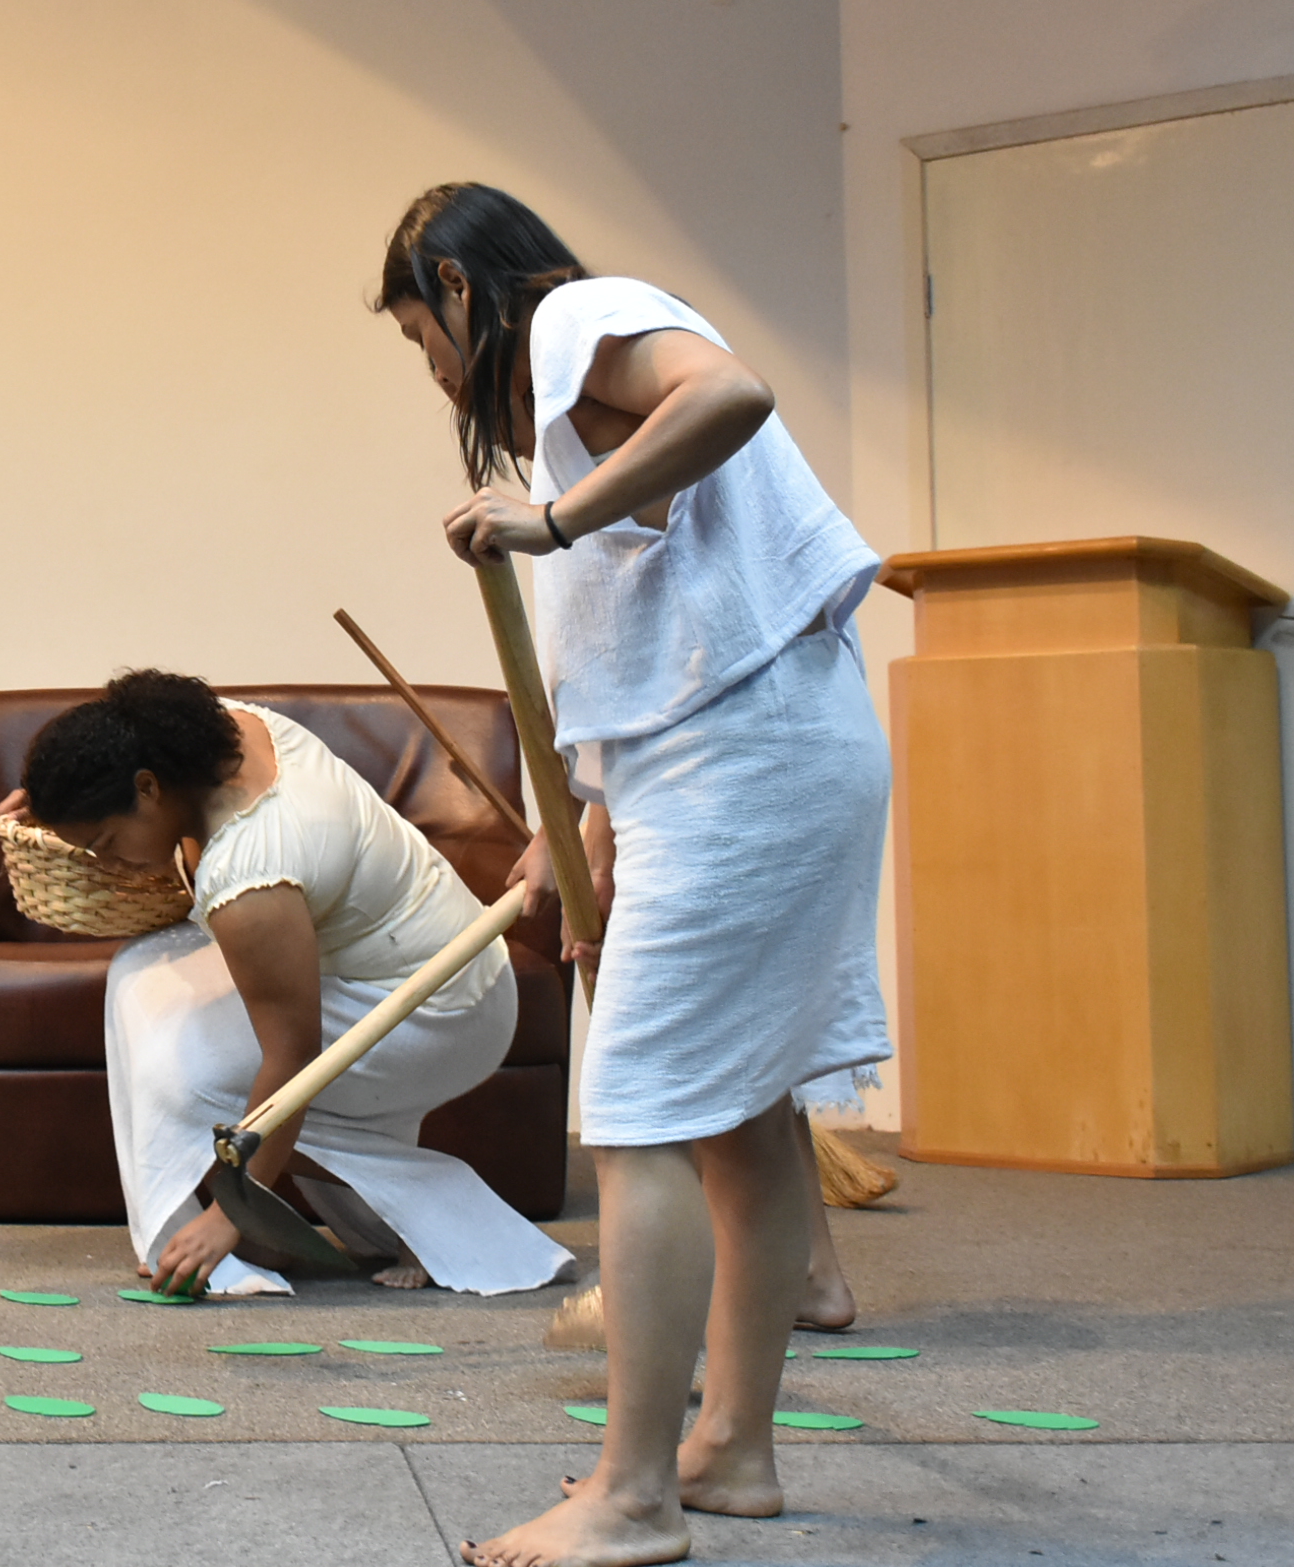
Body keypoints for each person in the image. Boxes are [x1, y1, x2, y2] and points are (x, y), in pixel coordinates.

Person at [376, 183, 891, 1567]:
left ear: (458, 285)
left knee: (643, 1116)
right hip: (747, 756)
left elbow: (732, 392)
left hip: (751, 762)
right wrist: (586, 827)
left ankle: (634, 1491)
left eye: (421, 335)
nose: (433, 371)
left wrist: (550, 521)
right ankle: (730, 1453)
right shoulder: (571, 411)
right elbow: (648, 640)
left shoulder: (577, 317)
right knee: (740, 1121)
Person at [2, 670, 572, 1298]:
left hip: (440, 1010)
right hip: (404, 965)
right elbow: (114, 750)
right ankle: (293, 1224)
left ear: (147, 787)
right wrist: (56, 802)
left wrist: (232, 1213)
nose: (107, 862)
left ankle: (402, 1216)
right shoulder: (215, 733)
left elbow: (294, 1058)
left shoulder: (252, 871)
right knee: (142, 976)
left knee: (180, 1080)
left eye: (106, 842)